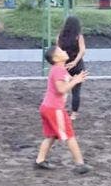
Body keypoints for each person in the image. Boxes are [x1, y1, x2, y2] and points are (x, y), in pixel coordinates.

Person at [34, 45, 90, 174]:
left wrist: (75, 78)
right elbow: (61, 89)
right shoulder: (58, 70)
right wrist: (75, 80)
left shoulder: (59, 69)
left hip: (47, 108)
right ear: (56, 58)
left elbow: (67, 81)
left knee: (51, 136)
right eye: (61, 51)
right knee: (69, 136)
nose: (65, 51)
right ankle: (80, 164)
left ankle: (40, 160)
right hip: (55, 109)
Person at [56, 16, 86, 120]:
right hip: (77, 66)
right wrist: (75, 62)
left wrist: (63, 64)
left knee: (62, 90)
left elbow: (58, 52)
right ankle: (74, 114)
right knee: (76, 91)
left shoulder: (60, 36)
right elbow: (82, 51)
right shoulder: (78, 36)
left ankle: (60, 110)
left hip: (64, 66)